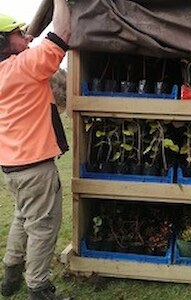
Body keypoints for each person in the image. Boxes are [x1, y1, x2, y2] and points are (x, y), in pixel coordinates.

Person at [0, 0, 72, 299]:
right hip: (35, 168)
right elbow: (63, 31)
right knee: (43, 227)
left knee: (22, 217)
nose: (27, 36)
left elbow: (27, 43)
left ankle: (10, 273)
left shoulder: (7, 69)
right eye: (19, 33)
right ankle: (38, 287)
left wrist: (23, 39)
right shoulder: (25, 67)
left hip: (12, 167)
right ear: (3, 41)